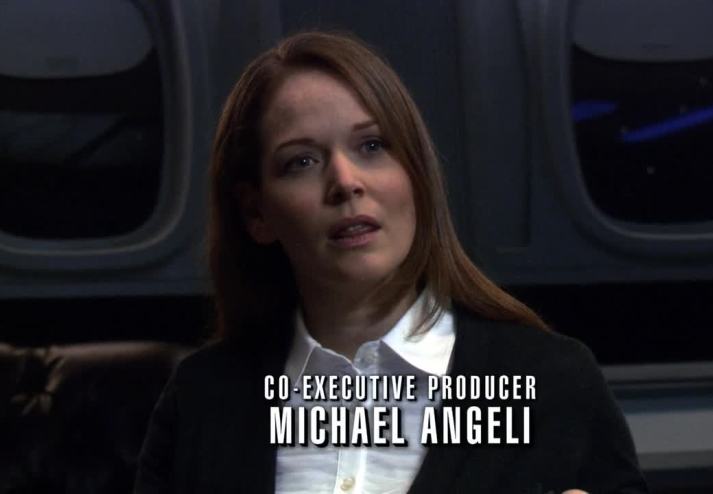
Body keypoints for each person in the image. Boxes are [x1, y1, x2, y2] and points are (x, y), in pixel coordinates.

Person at [135, 31, 648, 494]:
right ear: (256, 213)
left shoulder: (553, 381)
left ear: (417, 175)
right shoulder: (201, 399)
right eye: (302, 162)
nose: (346, 181)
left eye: (373, 145)